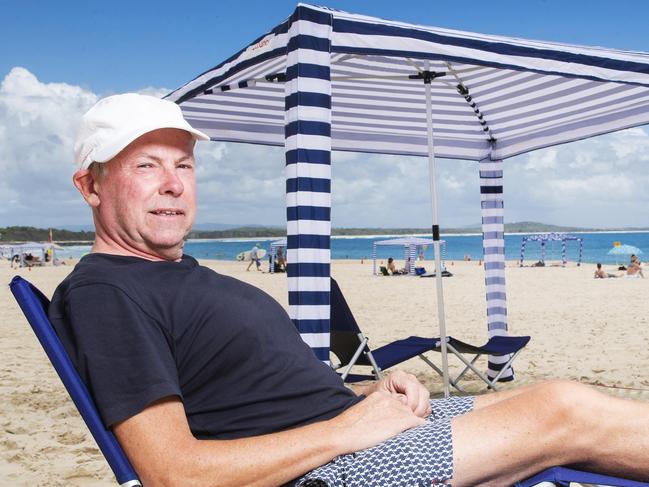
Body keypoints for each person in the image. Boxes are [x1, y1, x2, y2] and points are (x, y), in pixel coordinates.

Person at [49, 94, 649, 487]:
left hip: (350, 430)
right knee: (562, 415)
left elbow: (248, 395)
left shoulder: (173, 276)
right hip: (331, 469)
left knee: (559, 392)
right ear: (90, 186)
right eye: (146, 166)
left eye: (183, 165)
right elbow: (171, 472)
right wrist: (347, 430)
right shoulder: (107, 292)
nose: (174, 185)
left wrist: (365, 390)